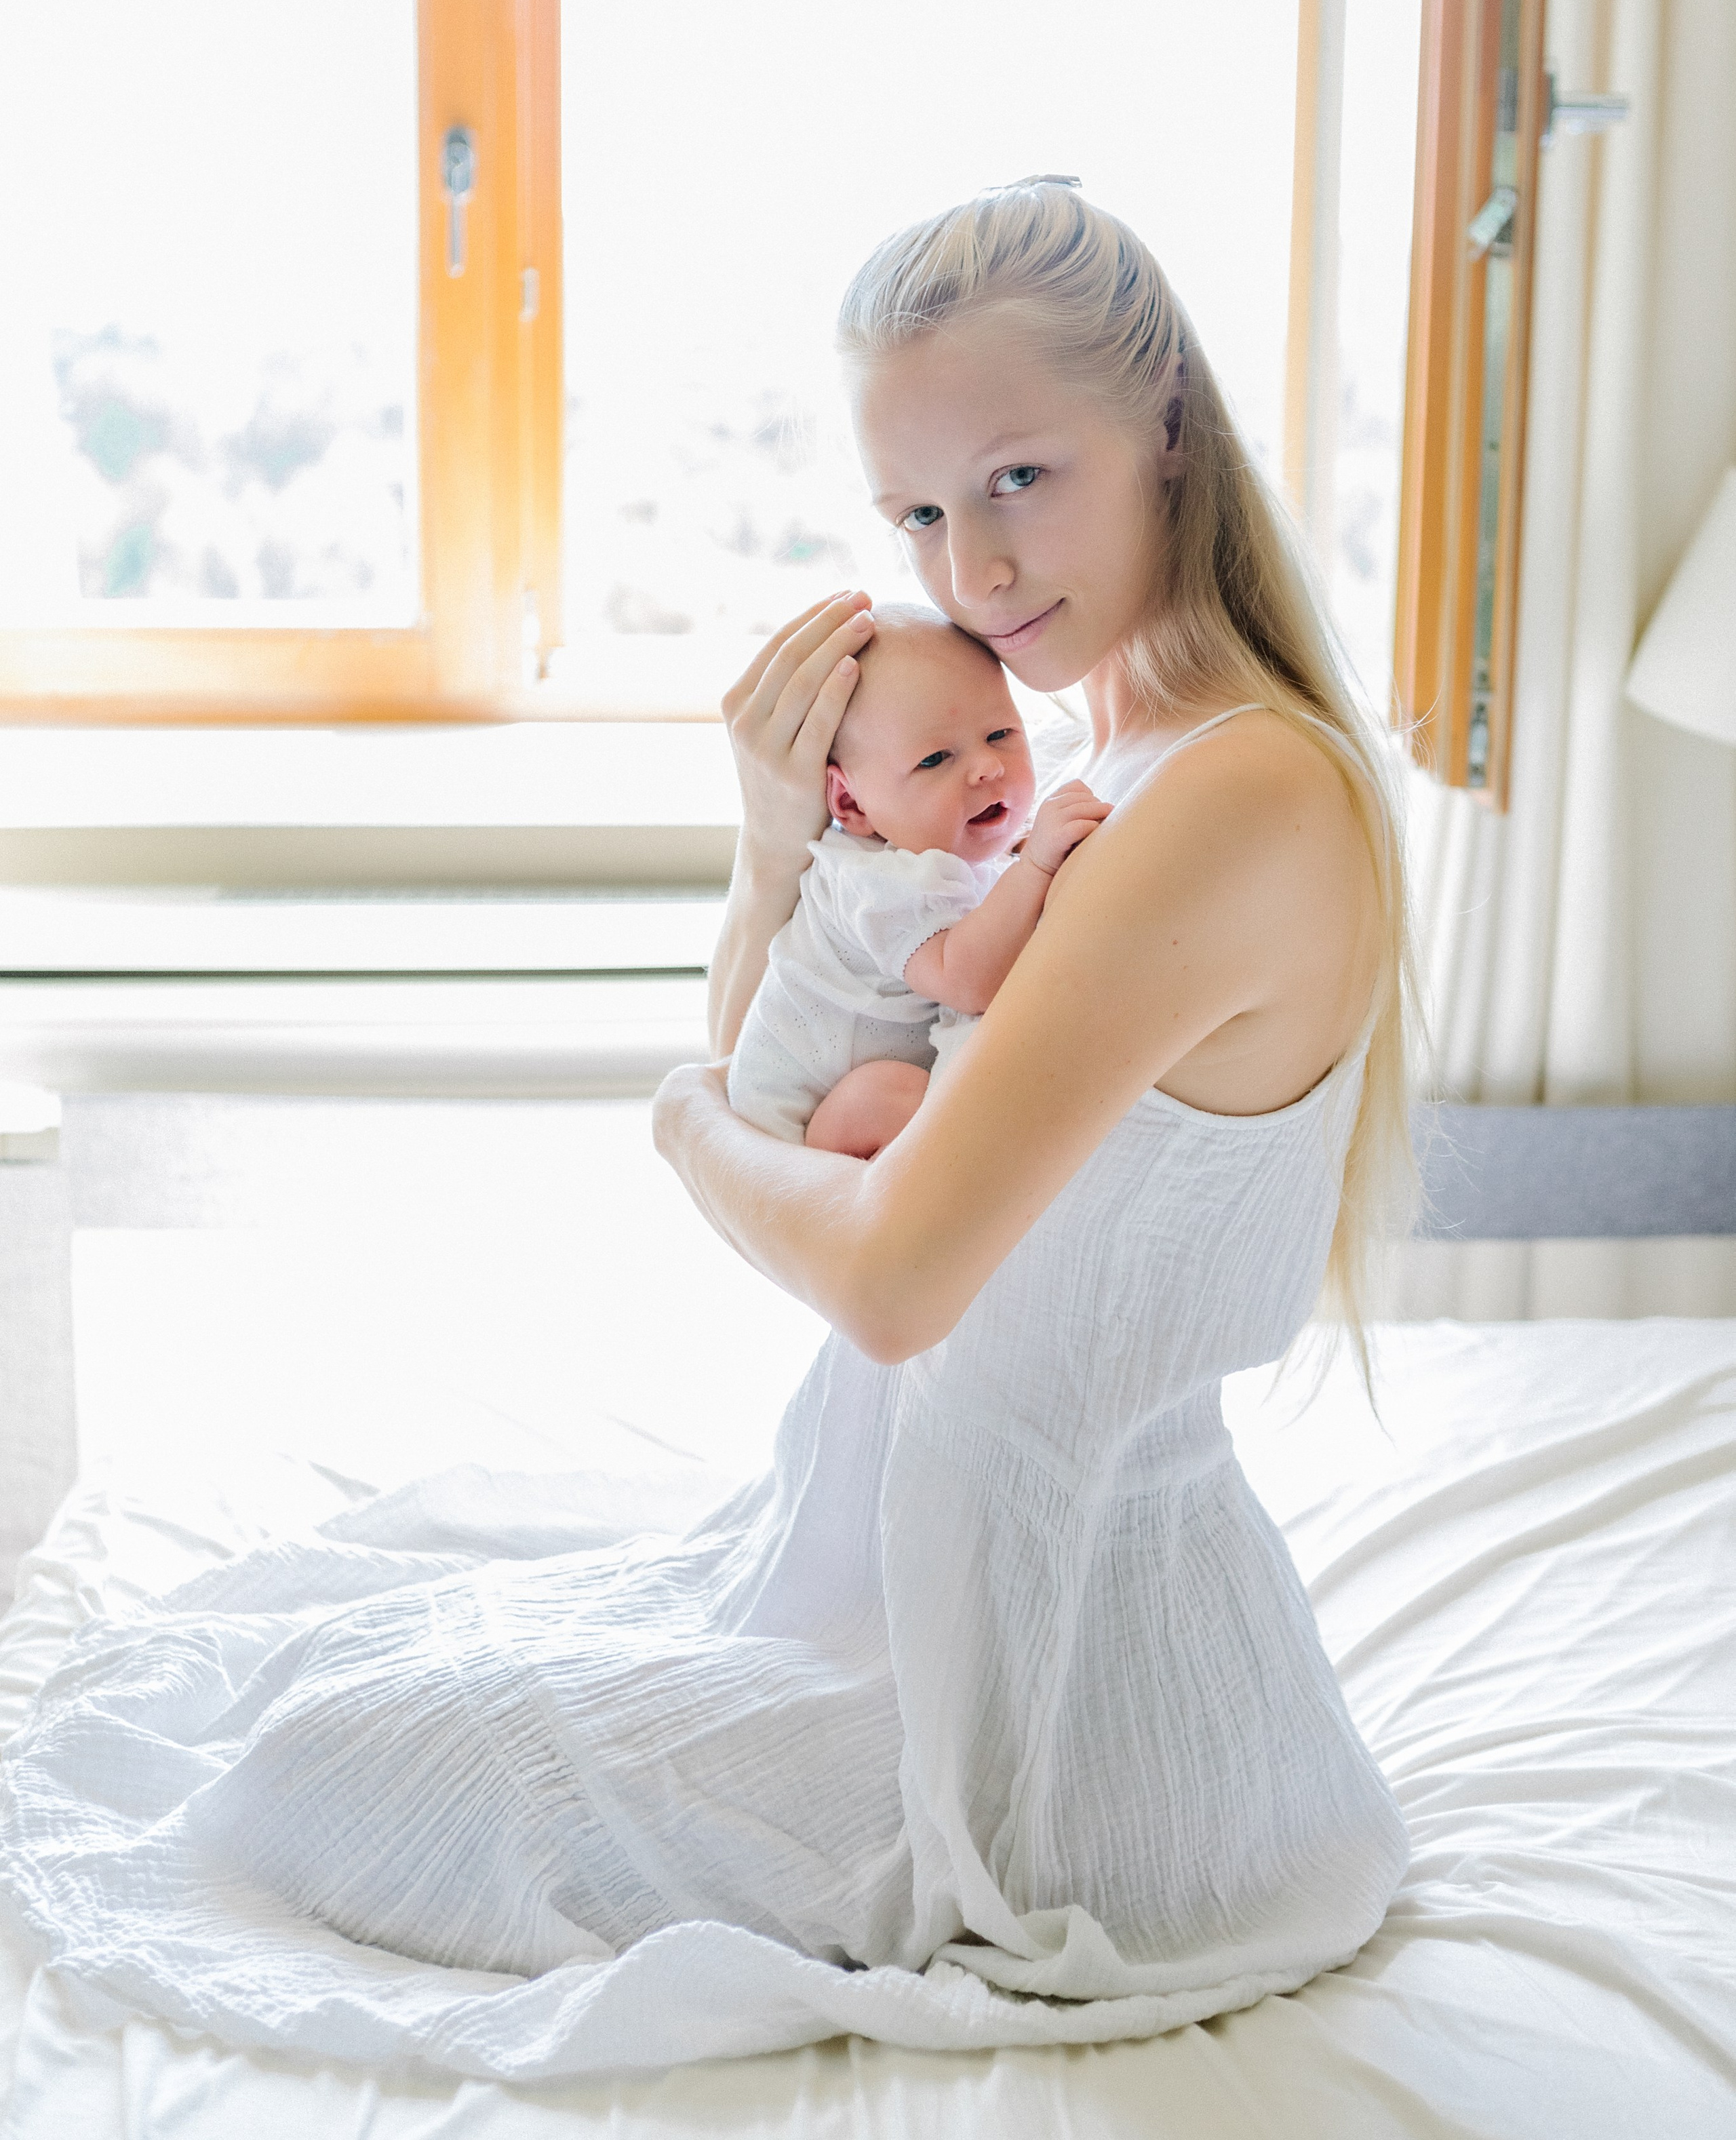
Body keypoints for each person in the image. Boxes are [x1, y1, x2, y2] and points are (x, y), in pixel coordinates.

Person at [0, 182, 1414, 2084]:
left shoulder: (1225, 802)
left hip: (1062, 1719)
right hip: (929, 1575)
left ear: (1167, 424)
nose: (976, 570)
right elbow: (796, 1060)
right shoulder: (1098, 767)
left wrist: (680, 1136)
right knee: (333, 1662)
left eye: (1018, 477)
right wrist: (773, 840)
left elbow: (890, 1274)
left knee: (313, 1776)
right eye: (918, 513)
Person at [726, 602, 1109, 1156]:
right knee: (892, 1096)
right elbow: (966, 978)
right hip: (795, 1127)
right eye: (934, 760)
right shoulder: (877, 880)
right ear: (850, 802)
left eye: (1001, 733)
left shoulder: (926, 844)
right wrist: (1037, 868)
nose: (986, 767)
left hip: (836, 1097)